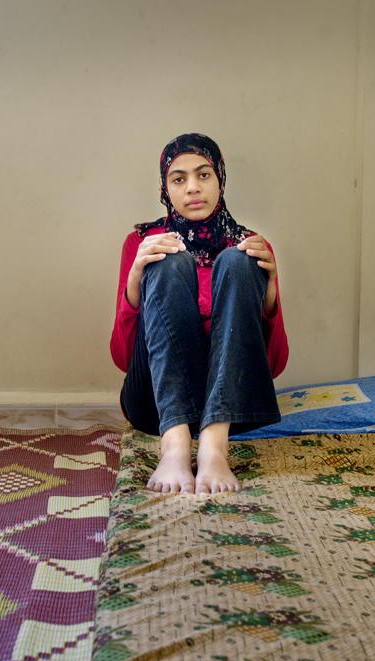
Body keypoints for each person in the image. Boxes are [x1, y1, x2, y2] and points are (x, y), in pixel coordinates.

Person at [110, 133, 289, 495]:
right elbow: (121, 358)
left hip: (232, 405)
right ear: (166, 188)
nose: (193, 188)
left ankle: (214, 445)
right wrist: (135, 279)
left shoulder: (251, 245)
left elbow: (273, 364)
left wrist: (268, 287)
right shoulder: (143, 243)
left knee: (239, 261)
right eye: (179, 178)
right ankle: (174, 446)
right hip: (154, 407)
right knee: (168, 258)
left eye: (203, 175)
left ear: (220, 180)